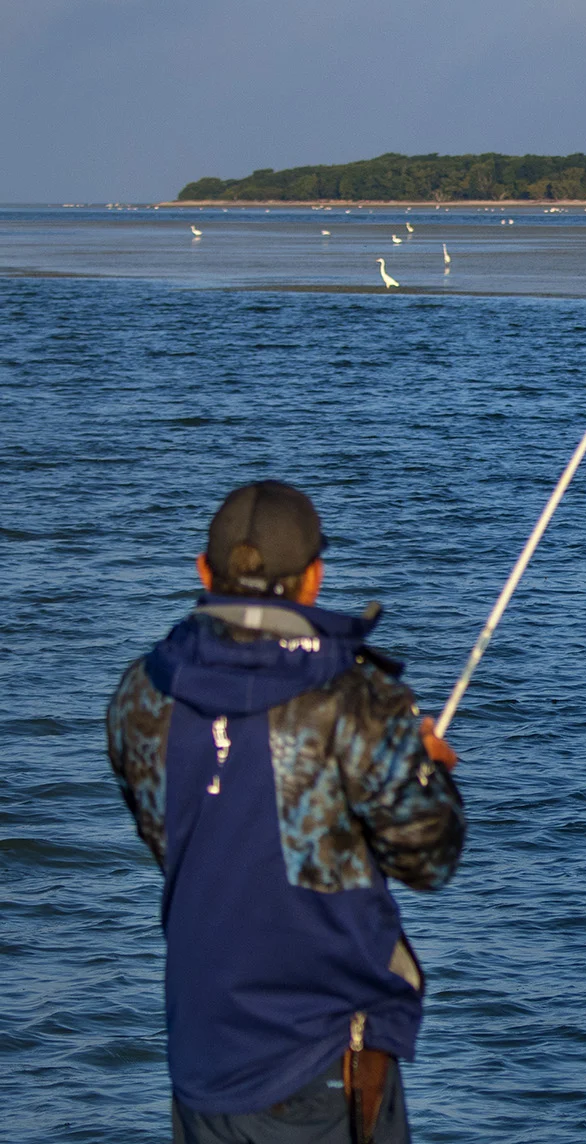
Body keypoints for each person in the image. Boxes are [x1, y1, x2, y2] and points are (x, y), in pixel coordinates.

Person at [106, 480, 466, 1143]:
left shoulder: (140, 692)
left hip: (200, 1056)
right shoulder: (354, 700)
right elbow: (429, 853)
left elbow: (175, 837)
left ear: (205, 572)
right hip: (324, 1058)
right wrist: (424, 766)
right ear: (313, 579)